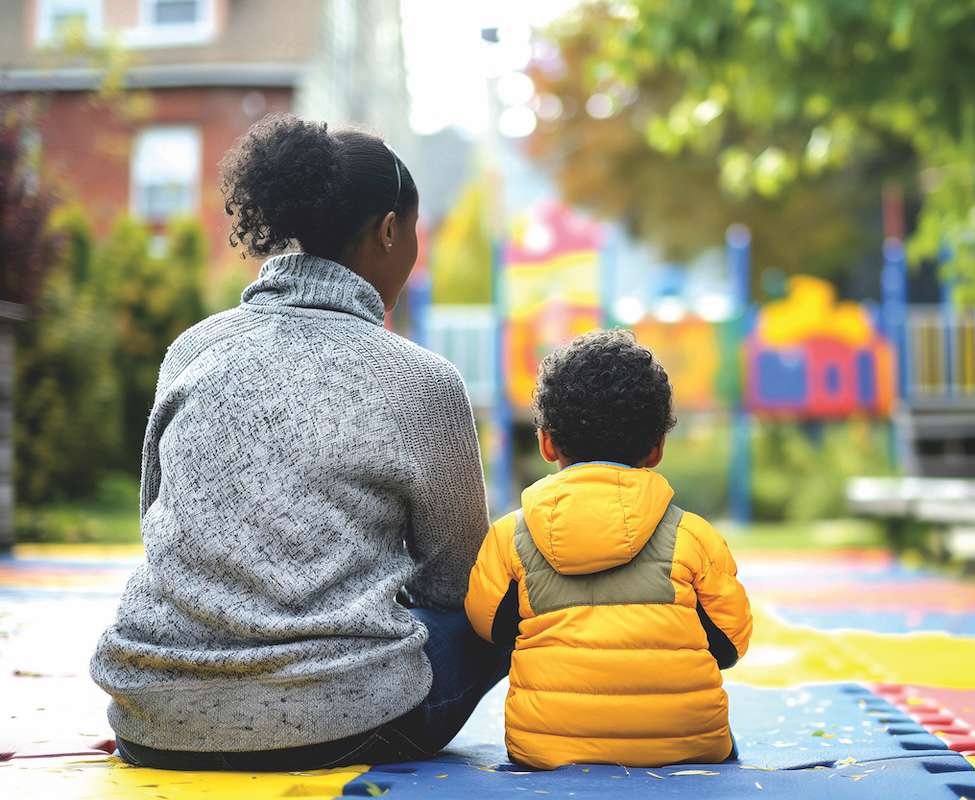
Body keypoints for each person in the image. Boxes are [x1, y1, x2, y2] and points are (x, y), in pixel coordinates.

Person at [90, 114, 508, 771]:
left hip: (156, 721)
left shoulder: (193, 350)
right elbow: (459, 583)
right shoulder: (422, 381)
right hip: (340, 723)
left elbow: (159, 521)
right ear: (389, 231)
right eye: (415, 230)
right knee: (505, 598)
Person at [464, 329, 753, 770]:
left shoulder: (512, 538)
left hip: (545, 748)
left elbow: (489, 629)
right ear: (656, 448)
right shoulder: (693, 537)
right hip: (687, 744)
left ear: (546, 443)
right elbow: (730, 644)